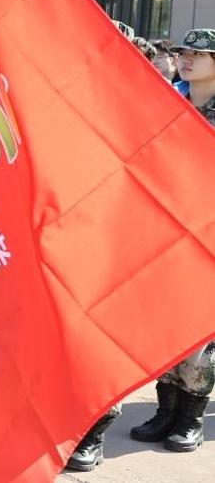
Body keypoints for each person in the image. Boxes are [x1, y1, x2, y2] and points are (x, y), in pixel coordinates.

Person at [127, 27, 215, 455]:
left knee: (200, 334)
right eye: (184, 52)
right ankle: (164, 411)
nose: (187, 59)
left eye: (200, 54)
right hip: (167, 228)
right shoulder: (167, 102)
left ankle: (190, 419)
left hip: (209, 234)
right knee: (165, 327)